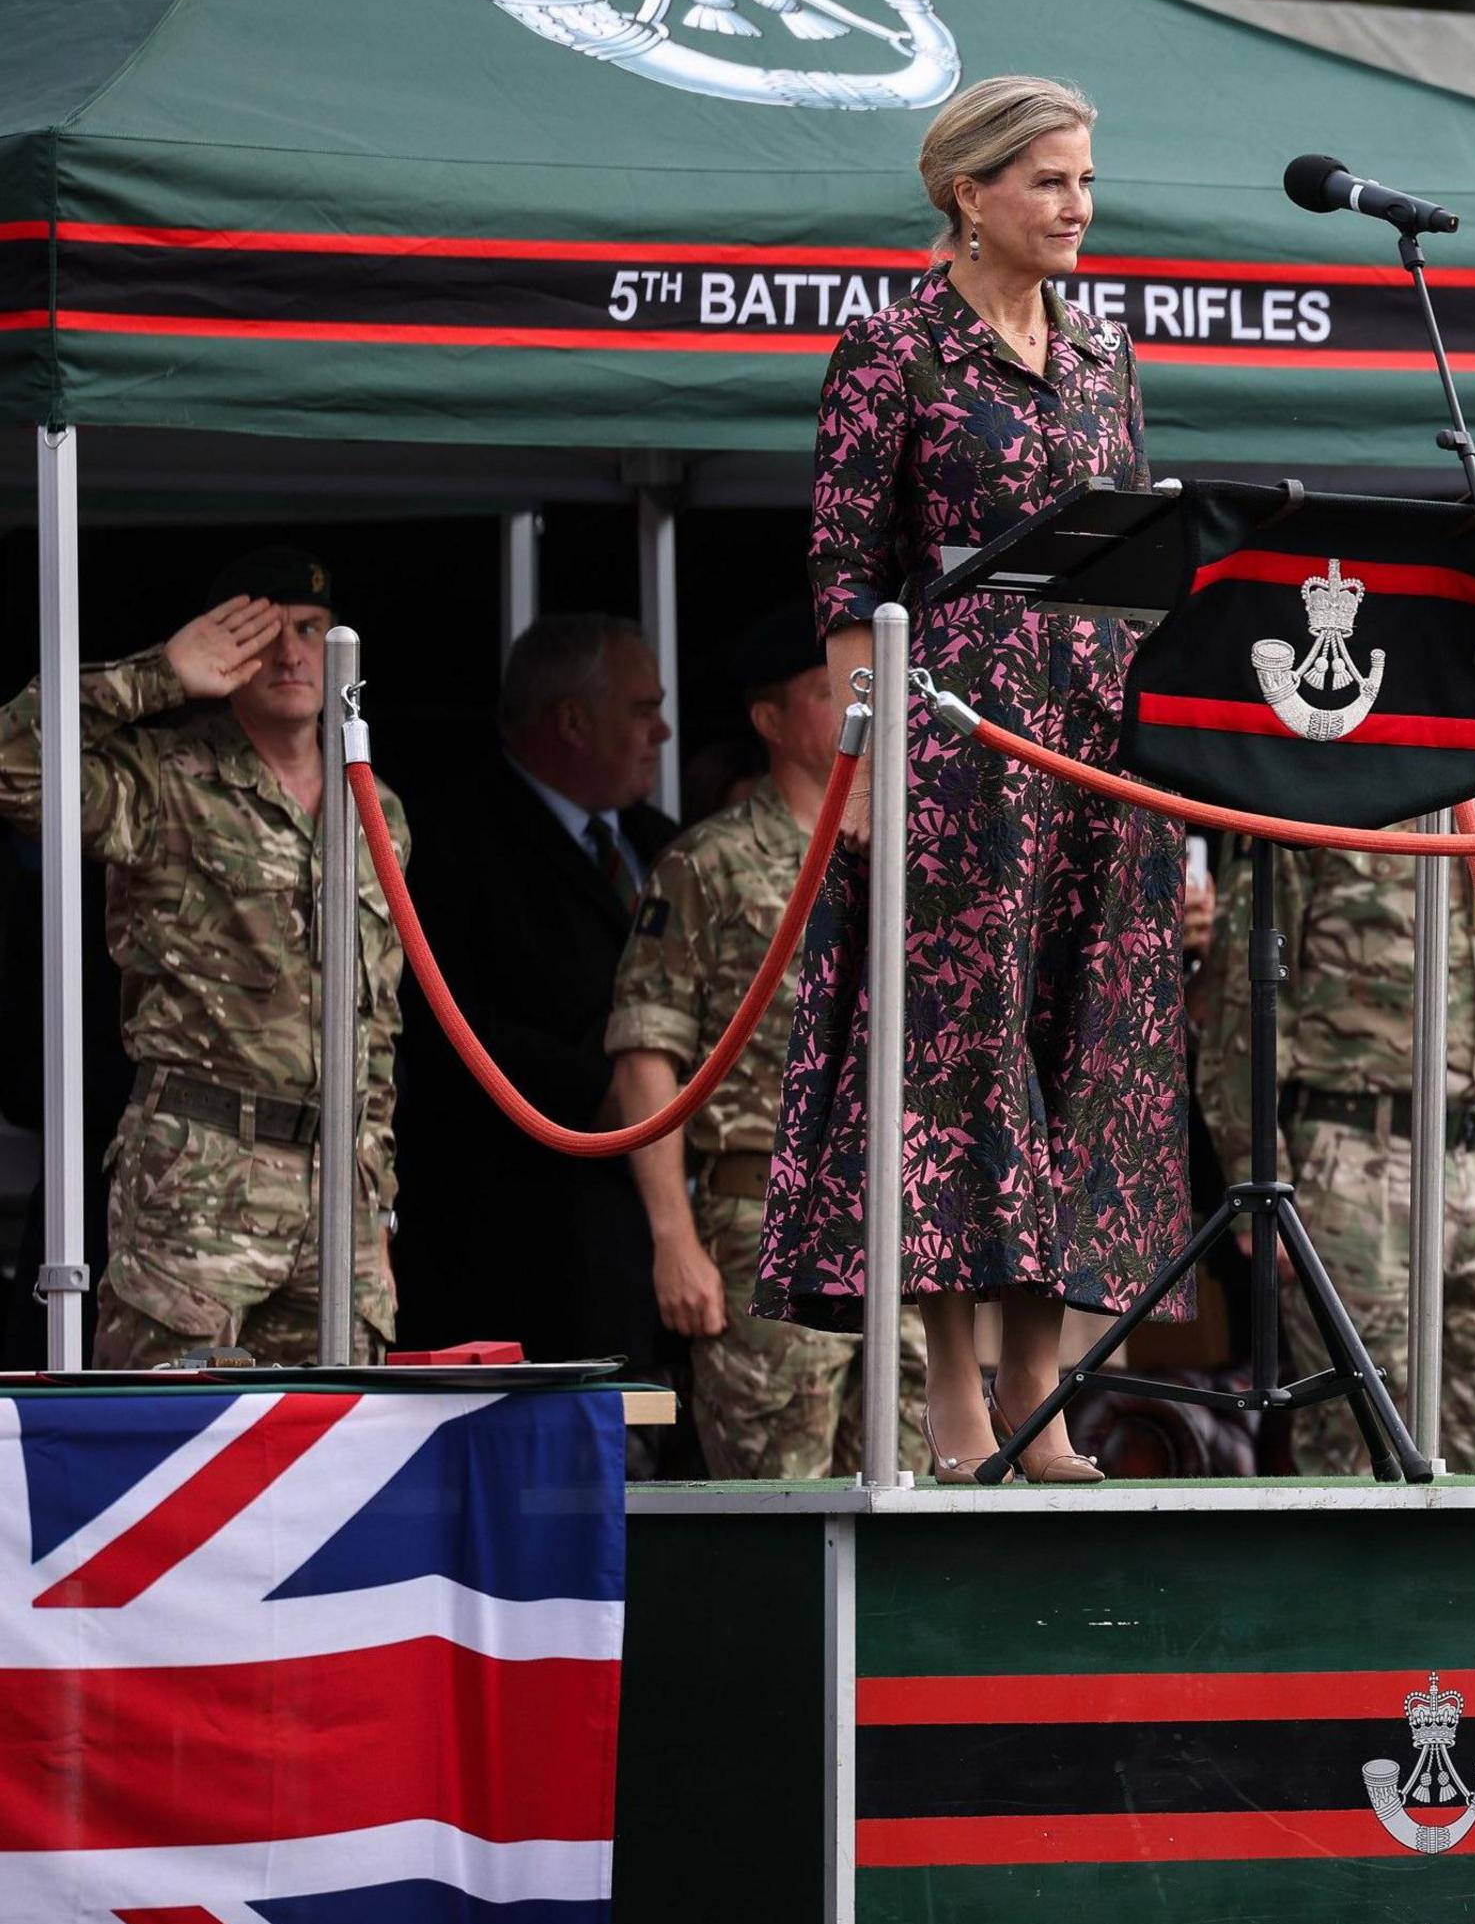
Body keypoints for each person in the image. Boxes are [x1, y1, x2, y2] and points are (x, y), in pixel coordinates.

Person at [760, 76, 1184, 1487]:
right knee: (956, 1070)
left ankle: (1045, 1398)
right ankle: (952, 1399)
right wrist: (866, 759)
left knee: (1080, 1050)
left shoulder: (1105, 358)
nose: (1079, 208)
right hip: (954, 752)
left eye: (1086, 179)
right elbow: (843, 573)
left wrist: (1167, 789)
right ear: (971, 195)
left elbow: (1139, 566)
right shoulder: (892, 352)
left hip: (1091, 752)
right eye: (1052, 182)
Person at [0, 549, 406, 1367]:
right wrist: (161, 674)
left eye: (310, 631)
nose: (292, 654)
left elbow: (380, 1022)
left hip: (337, 1193)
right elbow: (15, 762)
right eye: (262, 634)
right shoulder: (169, 778)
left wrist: (379, 1201)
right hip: (198, 1176)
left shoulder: (377, 806)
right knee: (170, 1450)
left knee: (337, 1456)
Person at [1188, 760, 1475, 1476]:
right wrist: (1257, 1185)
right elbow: (1239, 1011)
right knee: (1359, 1446)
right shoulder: (1334, 775)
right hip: (1356, 1159)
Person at [604, 608, 928, 1478]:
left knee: (918, 1496)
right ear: (770, 722)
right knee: (779, 1500)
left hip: (907, 1225)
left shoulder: (915, 855)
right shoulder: (708, 864)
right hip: (765, 1223)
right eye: (831, 692)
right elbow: (646, 1054)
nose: (861, 710)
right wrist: (675, 1237)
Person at [391, 610, 676, 1371]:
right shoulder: (448, 840)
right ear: (573, 722)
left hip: (663, 1233)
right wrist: (606, 1097)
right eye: (643, 709)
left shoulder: (662, 843)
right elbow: (447, 1023)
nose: (664, 733)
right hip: (523, 1238)